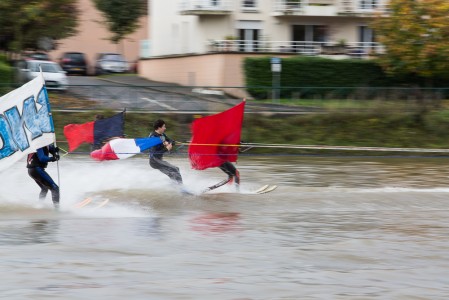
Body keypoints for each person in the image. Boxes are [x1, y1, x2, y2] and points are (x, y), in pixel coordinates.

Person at [148, 119, 183, 185]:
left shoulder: (162, 134)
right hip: (154, 161)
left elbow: (171, 141)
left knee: (174, 171)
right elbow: (155, 154)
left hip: (159, 160)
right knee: (174, 169)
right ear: (159, 128)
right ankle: (182, 188)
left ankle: (175, 186)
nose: (165, 128)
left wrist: (168, 142)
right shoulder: (153, 138)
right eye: (164, 126)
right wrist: (166, 149)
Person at [27, 145, 60, 210]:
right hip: (36, 169)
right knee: (55, 188)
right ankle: (57, 210)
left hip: (31, 171)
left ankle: (39, 206)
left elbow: (50, 148)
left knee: (44, 188)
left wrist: (55, 150)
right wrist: (52, 158)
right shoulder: (40, 144)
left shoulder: (43, 142)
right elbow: (42, 158)